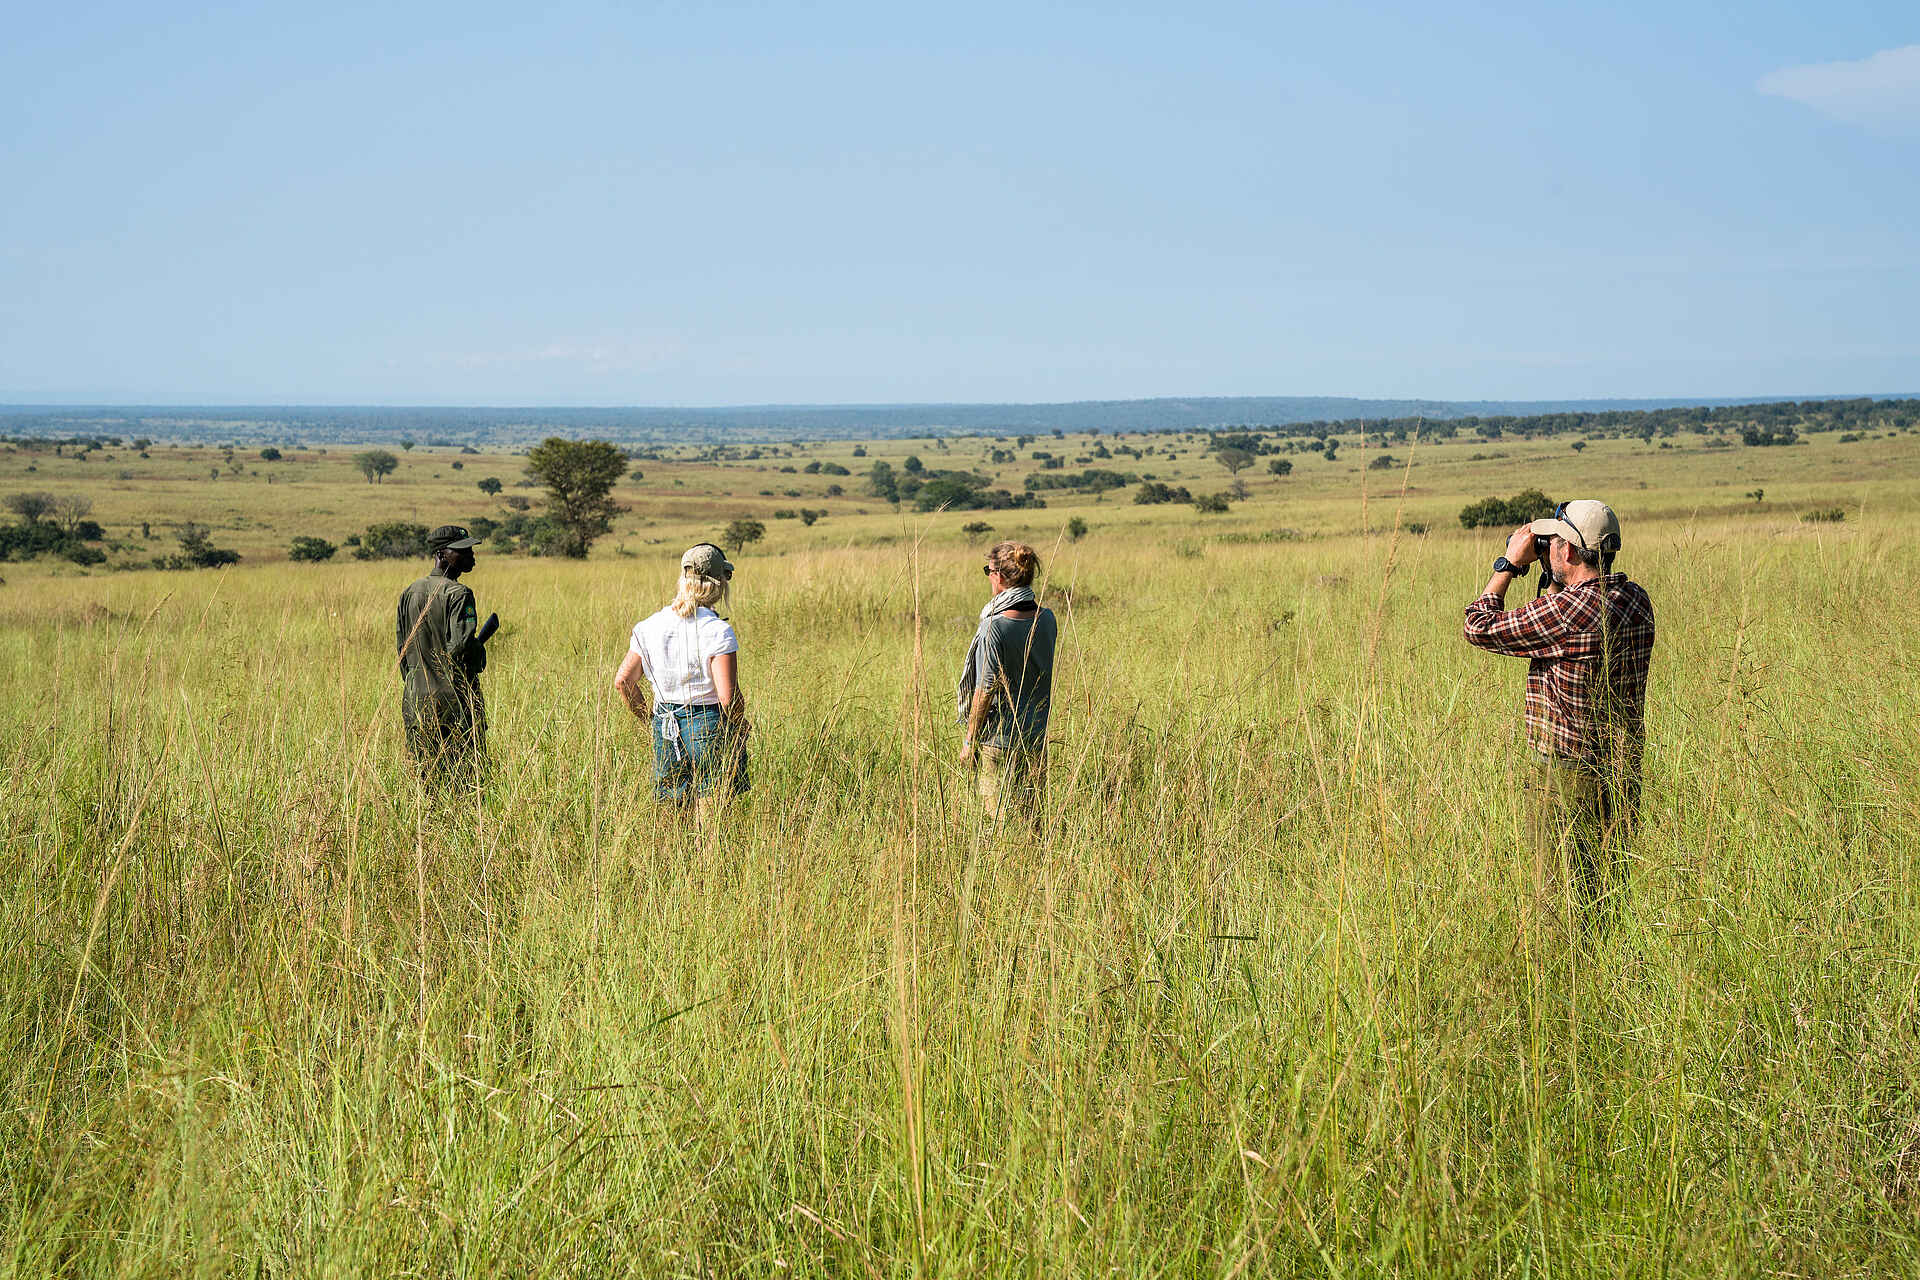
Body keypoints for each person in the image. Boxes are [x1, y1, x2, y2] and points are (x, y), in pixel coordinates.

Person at [1463, 499, 1656, 928]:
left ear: (1567, 551)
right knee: (1606, 896)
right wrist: (1553, 581)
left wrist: (1508, 565)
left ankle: (1566, 984)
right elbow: (1562, 625)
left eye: (1554, 542)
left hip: (1568, 777)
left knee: (1559, 904)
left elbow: (1478, 626)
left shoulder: (1565, 613)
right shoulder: (1636, 599)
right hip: (1622, 769)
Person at [613, 543, 751, 823]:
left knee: (672, 809)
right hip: (708, 722)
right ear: (719, 583)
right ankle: (707, 862)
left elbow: (624, 681)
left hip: (664, 723)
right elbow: (727, 698)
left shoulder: (648, 626)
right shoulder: (718, 631)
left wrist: (649, 719)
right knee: (711, 803)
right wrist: (738, 725)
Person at [957, 540, 1057, 830]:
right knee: (1032, 818)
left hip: (999, 740)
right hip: (1036, 735)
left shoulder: (994, 626)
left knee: (998, 820)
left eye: (988, 570)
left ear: (998, 576)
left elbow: (984, 691)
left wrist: (969, 742)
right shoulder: (1047, 619)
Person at [396, 525, 493, 787]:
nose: (471, 556)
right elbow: (459, 649)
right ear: (441, 554)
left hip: (416, 699)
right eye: (462, 551)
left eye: (471, 550)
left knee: (425, 779)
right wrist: (478, 652)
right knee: (465, 780)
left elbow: (402, 652)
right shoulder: (460, 594)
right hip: (455, 702)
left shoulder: (410, 592)